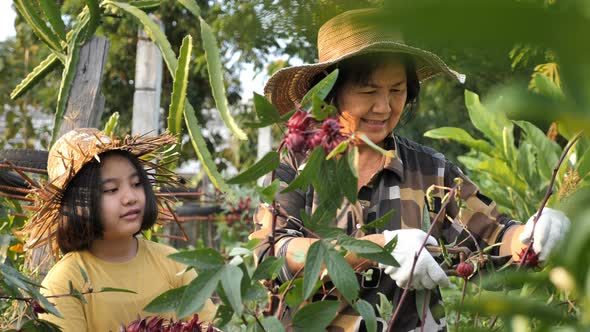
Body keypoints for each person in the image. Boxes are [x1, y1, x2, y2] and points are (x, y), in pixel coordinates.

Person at [251, 8, 571, 332]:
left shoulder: (431, 171)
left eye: (396, 90)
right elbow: (271, 254)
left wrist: (531, 236)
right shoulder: (295, 166)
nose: (384, 107)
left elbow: (492, 239)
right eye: (368, 91)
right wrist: (381, 247)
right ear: (330, 93)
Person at [24, 128, 216, 331]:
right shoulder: (64, 284)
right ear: (77, 204)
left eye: (136, 183)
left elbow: (210, 324)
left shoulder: (173, 265)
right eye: (112, 190)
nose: (130, 197)